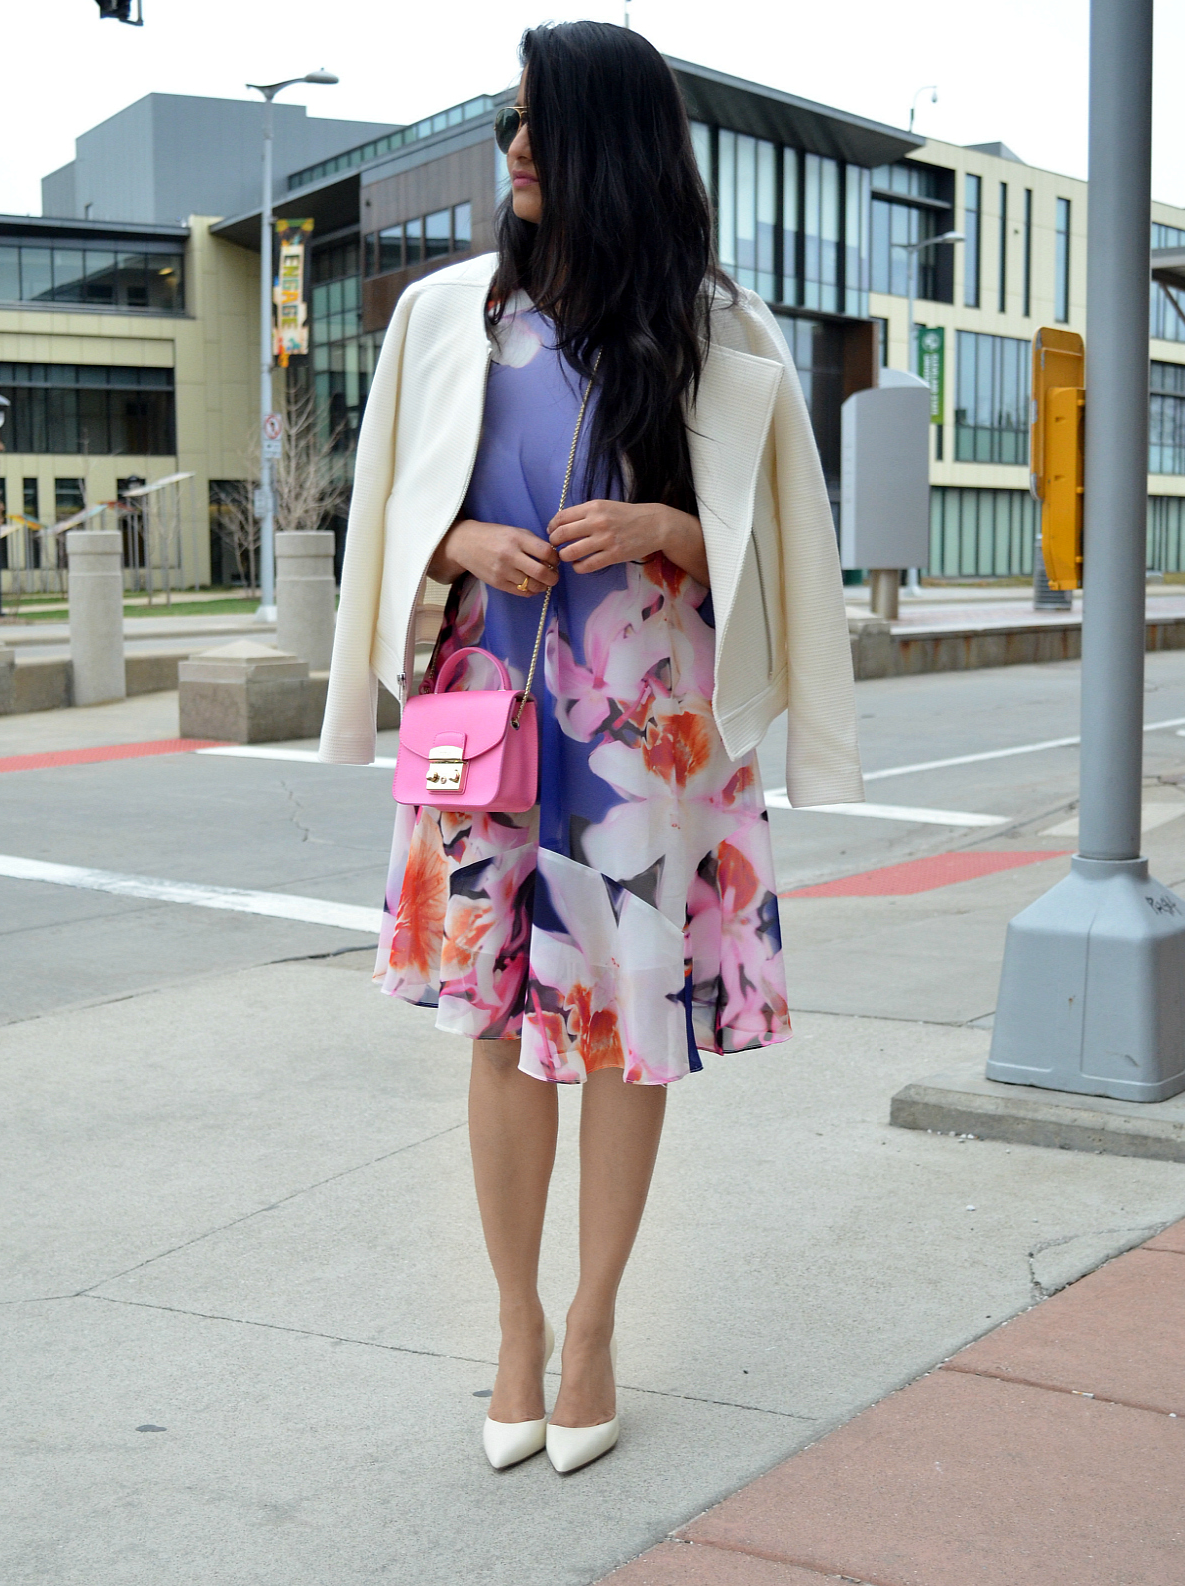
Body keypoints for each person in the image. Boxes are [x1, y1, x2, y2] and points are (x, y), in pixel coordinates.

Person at [319, 21, 863, 1474]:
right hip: (488, 707)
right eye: (509, 122)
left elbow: (784, 543)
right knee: (499, 1023)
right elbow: (383, 512)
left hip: (648, 725)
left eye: (538, 122)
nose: (514, 148)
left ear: (606, 142)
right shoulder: (447, 313)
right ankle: (514, 1328)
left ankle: (594, 1330)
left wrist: (661, 523)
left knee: (627, 1029)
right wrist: (458, 541)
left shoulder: (715, 329)